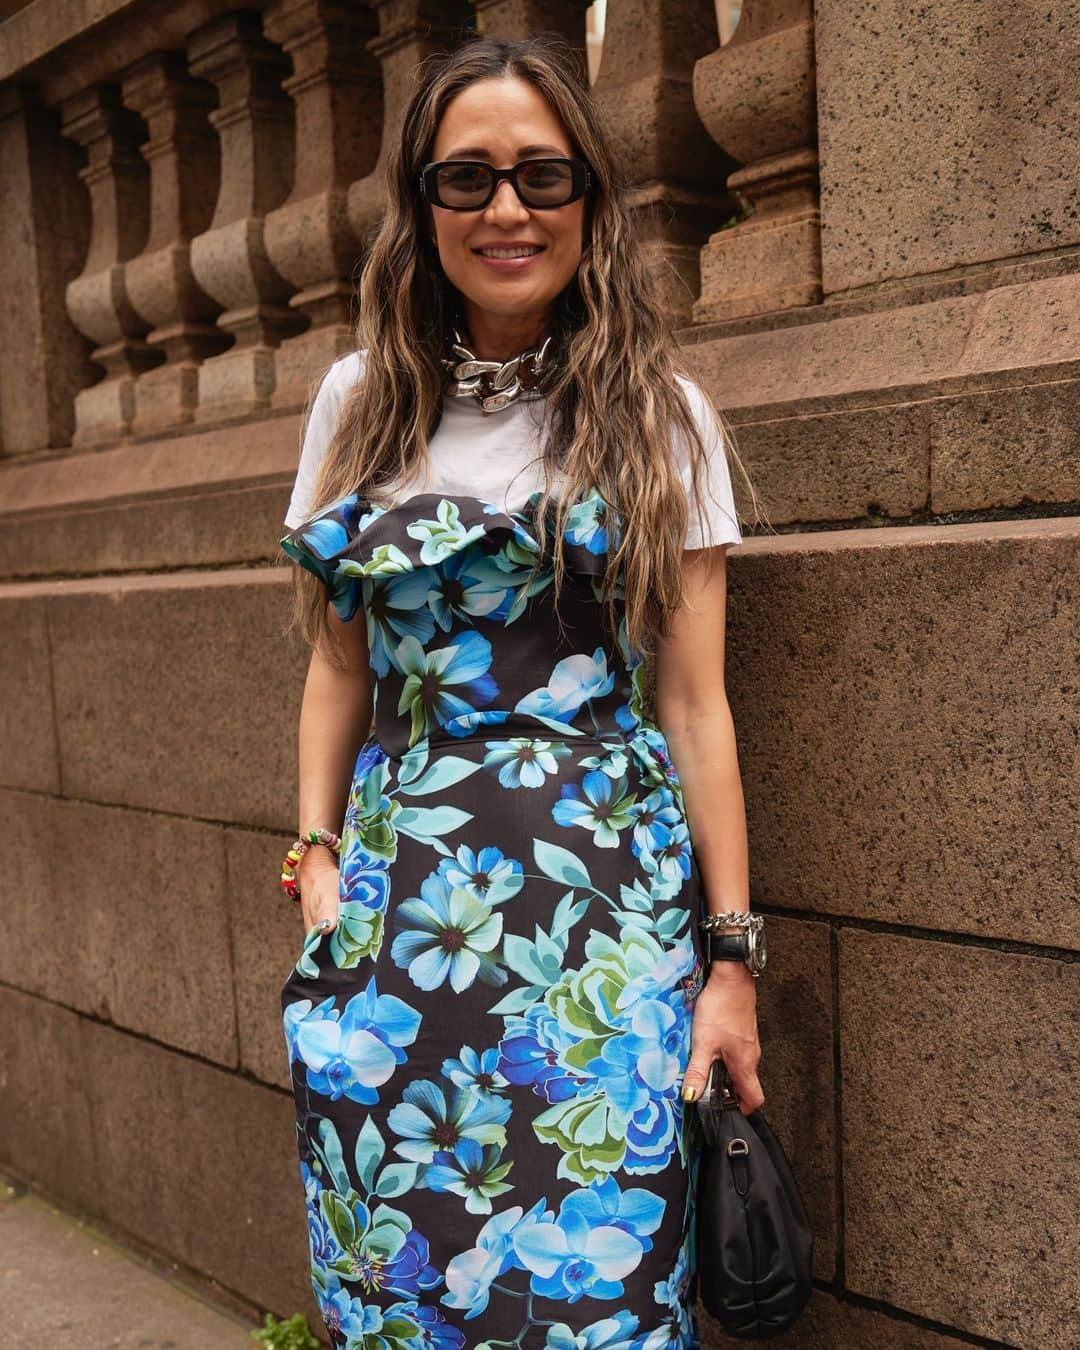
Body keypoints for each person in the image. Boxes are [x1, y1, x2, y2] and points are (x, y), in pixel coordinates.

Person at [277, 33, 766, 1350]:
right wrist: (318, 852)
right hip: (396, 929)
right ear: (422, 205)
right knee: (403, 1284)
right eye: (469, 178)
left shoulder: (661, 413)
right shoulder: (360, 401)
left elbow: (698, 705)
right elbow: (336, 661)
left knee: (593, 1290)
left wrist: (729, 965)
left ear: (592, 203)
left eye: (544, 177)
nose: (506, 210)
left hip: (598, 932)